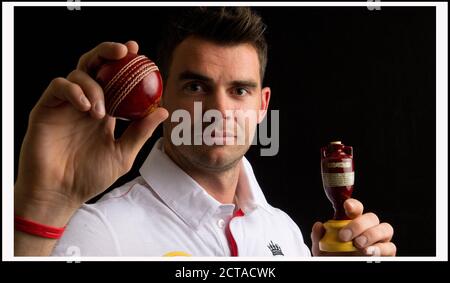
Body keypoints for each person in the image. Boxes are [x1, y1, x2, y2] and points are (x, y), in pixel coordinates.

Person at [14, 7, 396, 257]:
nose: (219, 110)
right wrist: (41, 206)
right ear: (161, 95)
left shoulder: (285, 231)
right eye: (197, 87)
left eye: (239, 90)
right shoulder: (100, 232)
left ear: (262, 106)